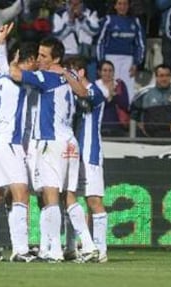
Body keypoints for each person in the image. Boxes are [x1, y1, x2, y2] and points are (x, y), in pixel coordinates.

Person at [9, 37, 98, 263]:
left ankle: (54, 251)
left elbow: (16, 75)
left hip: (52, 142)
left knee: (50, 197)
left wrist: (12, 61)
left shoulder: (45, 77)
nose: (38, 59)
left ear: (55, 58)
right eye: (38, 55)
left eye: (43, 56)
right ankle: (88, 246)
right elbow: (84, 93)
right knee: (69, 196)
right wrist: (66, 73)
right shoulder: (71, 76)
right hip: (70, 141)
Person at [0, 41, 38, 262]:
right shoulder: (21, 80)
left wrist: (0, 44)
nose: (37, 66)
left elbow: (5, 67)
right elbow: (16, 72)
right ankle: (21, 250)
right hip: (8, 143)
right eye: (36, 61)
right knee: (21, 192)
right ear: (29, 60)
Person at [63, 56, 108, 263]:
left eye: (70, 72)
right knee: (70, 199)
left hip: (90, 153)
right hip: (73, 154)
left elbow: (86, 98)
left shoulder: (95, 92)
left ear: (80, 72)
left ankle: (100, 250)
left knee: (94, 200)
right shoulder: (71, 94)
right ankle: (71, 248)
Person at [96, 0, 145, 100]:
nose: (122, 7)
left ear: (128, 6)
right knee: (109, 86)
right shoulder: (108, 20)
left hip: (128, 60)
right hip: (110, 58)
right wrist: (101, 62)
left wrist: (136, 62)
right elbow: (100, 42)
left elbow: (140, 44)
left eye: (125, 4)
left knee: (127, 89)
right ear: (115, 6)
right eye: (120, 4)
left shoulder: (135, 21)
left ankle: (127, 112)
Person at [131, 64, 171, 138]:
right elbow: (133, 115)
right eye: (161, 75)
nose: (164, 79)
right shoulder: (144, 93)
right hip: (149, 139)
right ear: (156, 77)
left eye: (167, 75)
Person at [97, 60, 130, 137]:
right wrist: (110, 96)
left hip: (118, 126)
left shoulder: (119, 85)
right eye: (105, 70)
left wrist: (115, 96)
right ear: (99, 72)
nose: (108, 73)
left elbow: (125, 104)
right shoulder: (95, 86)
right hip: (100, 126)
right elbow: (97, 105)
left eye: (110, 70)